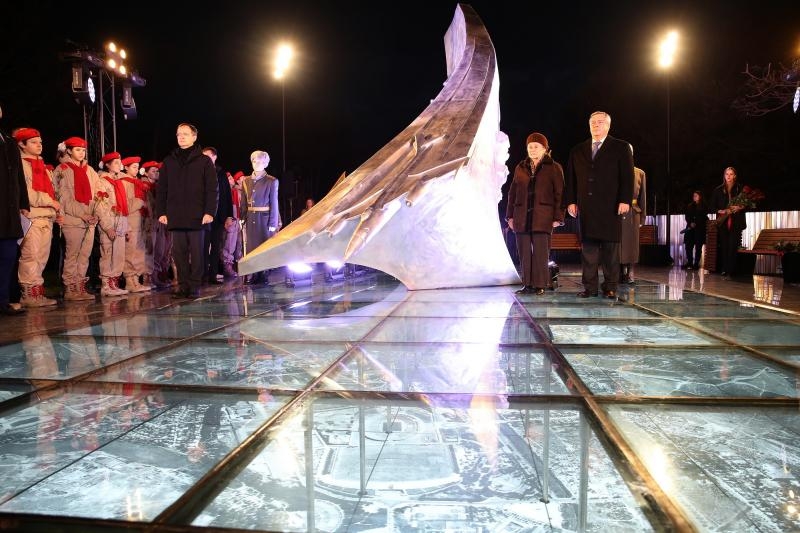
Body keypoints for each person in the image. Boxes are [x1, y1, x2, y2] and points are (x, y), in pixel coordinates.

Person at [565, 111, 633, 299]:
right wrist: (571, 201)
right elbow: (571, 179)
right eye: (593, 122)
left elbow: (627, 176)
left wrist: (625, 200)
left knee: (610, 251)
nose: (596, 125)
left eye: (600, 122)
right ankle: (590, 287)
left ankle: (610, 287)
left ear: (608, 125)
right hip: (586, 207)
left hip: (611, 206)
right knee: (588, 250)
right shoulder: (577, 150)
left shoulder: (621, 147)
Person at [156, 123, 218, 298]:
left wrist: (210, 212)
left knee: (197, 253)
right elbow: (162, 189)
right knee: (179, 253)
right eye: (178, 134)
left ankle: (194, 285)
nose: (181, 137)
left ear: (194, 137)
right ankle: (183, 285)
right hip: (175, 214)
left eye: (185, 134)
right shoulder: (169, 161)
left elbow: (212, 189)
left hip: (197, 215)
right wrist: (161, 212)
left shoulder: (204, 161)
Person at [55, 137, 114, 301]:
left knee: (84, 256)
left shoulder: (90, 171)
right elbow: (63, 199)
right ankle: (70, 288)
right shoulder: (62, 169)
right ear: (68, 151)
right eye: (77, 150)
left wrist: (96, 215)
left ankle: (79, 286)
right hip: (73, 219)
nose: (81, 153)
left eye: (83, 150)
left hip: (90, 220)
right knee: (72, 255)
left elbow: (98, 196)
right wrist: (83, 214)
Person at [505, 132, 564, 295]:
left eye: (536, 146)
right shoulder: (520, 167)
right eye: (530, 147)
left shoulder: (554, 167)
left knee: (540, 252)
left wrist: (558, 217)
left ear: (544, 148)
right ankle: (527, 284)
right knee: (524, 252)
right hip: (521, 216)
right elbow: (512, 193)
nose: (532, 149)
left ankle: (540, 284)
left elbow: (559, 194)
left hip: (543, 216)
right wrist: (510, 216)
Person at [14, 127, 60, 307]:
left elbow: (52, 191)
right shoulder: (21, 164)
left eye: (40, 142)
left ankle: (37, 292)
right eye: (33, 142)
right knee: (30, 256)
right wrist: (50, 201)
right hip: (32, 216)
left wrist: (56, 210)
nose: (39, 145)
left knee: (41, 257)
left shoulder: (42, 165)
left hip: (46, 215)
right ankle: (28, 294)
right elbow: (26, 193)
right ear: (22, 144)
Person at [0, 106, 30, 315]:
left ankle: (3, 301)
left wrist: (23, 203)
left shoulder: (9, 141)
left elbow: (18, 175)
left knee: (8, 257)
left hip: (9, 211)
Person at [242, 150, 279, 285]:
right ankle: (254, 274)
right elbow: (243, 202)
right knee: (252, 247)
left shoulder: (271, 181)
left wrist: (273, 223)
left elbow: (274, 203)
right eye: (255, 161)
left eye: (260, 161)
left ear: (266, 163)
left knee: (263, 246)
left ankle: (263, 274)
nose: (257, 164)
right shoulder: (246, 181)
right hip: (251, 217)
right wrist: (242, 217)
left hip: (264, 219)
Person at [97, 152, 130, 296]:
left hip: (120, 220)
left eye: (119, 162)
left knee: (118, 254)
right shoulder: (102, 181)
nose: (119, 165)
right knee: (108, 252)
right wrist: (107, 226)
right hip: (110, 220)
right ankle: (106, 285)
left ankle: (114, 284)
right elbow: (100, 206)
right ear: (107, 165)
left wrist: (127, 227)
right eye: (116, 162)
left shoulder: (118, 181)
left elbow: (124, 204)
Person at [201, 147, 233, 285]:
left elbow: (227, 195)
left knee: (216, 247)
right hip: (203, 216)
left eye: (207, 156)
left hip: (218, 216)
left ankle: (213, 275)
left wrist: (229, 216)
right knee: (202, 247)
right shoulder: (199, 172)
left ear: (214, 157)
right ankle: (202, 275)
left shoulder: (221, 173)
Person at [120, 156, 151, 292]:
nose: (136, 170)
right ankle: (129, 281)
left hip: (140, 221)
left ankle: (136, 280)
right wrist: (140, 202)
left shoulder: (137, 183)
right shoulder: (124, 182)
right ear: (126, 168)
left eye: (138, 167)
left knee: (138, 252)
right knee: (130, 252)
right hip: (130, 220)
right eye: (133, 167)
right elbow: (125, 205)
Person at [710, 166, 746, 278]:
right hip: (723, 221)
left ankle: (731, 270)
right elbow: (712, 206)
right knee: (724, 245)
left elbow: (747, 204)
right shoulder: (718, 190)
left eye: (731, 174)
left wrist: (739, 207)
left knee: (732, 246)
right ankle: (725, 269)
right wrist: (719, 210)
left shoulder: (740, 188)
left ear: (734, 176)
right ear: (724, 176)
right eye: (727, 174)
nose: (729, 176)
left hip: (736, 221)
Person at [619, 145, 647, 285]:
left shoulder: (639, 173)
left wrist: (643, 217)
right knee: (619, 243)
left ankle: (630, 271)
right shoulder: (616, 170)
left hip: (633, 212)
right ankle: (620, 271)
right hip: (619, 211)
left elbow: (643, 196)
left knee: (632, 244)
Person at [221, 171, 245, 278]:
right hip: (231, 221)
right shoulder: (226, 192)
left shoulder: (235, 191)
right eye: (229, 178)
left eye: (231, 178)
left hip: (237, 220)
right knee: (229, 244)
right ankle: (227, 266)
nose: (232, 180)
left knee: (238, 244)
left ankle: (237, 265)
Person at [684, 190, 708, 271]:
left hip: (699, 229)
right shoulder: (690, 206)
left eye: (696, 195)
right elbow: (687, 216)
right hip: (690, 228)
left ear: (700, 197)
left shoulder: (704, 206)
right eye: (693, 195)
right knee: (688, 246)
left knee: (698, 246)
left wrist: (696, 223)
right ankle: (689, 262)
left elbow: (704, 217)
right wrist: (690, 222)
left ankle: (696, 263)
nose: (694, 197)